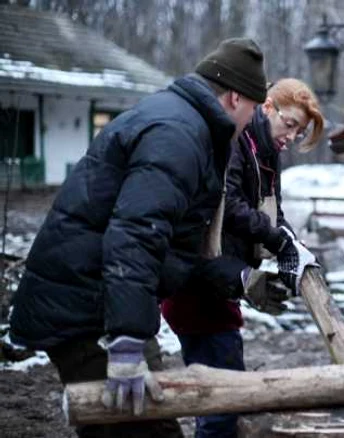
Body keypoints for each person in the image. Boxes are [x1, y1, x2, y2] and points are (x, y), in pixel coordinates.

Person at [9, 38, 268, 438]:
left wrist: (239, 279)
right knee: (143, 430)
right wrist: (127, 340)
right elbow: (135, 234)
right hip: (85, 309)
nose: (252, 121)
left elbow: (168, 247)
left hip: (103, 301)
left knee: (151, 422)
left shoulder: (184, 124)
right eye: (254, 109)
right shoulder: (179, 135)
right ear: (235, 97)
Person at [160, 77, 324, 437]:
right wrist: (276, 241)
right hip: (196, 282)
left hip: (221, 285)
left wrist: (293, 246)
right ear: (267, 108)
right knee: (220, 400)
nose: (291, 136)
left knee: (223, 398)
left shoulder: (267, 155)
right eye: (290, 124)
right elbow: (229, 204)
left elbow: (272, 213)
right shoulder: (236, 143)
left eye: (299, 132)